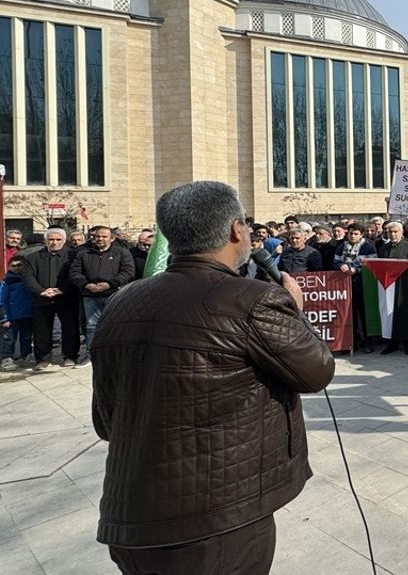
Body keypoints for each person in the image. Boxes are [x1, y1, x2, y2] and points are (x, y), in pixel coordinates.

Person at [91, 181, 335, 575]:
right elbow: (317, 370)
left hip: (130, 514)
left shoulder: (123, 300)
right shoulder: (251, 299)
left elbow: (106, 420)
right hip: (217, 519)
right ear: (237, 230)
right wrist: (296, 310)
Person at [68, 226, 135, 367]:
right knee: (91, 326)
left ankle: (117, 354)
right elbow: (74, 273)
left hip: (114, 294)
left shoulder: (122, 253)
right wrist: (86, 284)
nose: (100, 239)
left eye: (104, 236)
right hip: (90, 295)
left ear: (112, 238)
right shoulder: (83, 253)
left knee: (116, 325)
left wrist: (111, 284)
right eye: (98, 236)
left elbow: (128, 271)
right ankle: (91, 356)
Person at [22, 228, 80, 370]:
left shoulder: (73, 256)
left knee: (70, 328)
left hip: (66, 298)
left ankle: (70, 356)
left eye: (58, 239)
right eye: (51, 240)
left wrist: (63, 289)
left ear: (64, 240)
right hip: (42, 299)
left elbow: (76, 274)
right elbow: (28, 277)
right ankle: (43, 359)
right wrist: (41, 291)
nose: (54, 242)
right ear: (45, 241)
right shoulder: (32, 258)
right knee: (42, 329)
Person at [378, 222, 408, 355]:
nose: (393, 234)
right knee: (389, 312)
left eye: (395, 231)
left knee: (404, 313)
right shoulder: (383, 249)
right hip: (388, 286)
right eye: (390, 232)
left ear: (401, 232)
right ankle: (392, 343)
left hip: (404, 286)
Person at [335, 224, 378, 353]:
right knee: (348, 315)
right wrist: (341, 265)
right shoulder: (341, 247)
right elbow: (335, 261)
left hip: (363, 285)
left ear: (361, 234)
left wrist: (356, 269)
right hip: (345, 287)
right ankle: (350, 343)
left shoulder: (368, 247)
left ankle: (367, 343)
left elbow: (372, 264)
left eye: (356, 234)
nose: (353, 236)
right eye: (351, 233)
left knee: (364, 315)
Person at [0, 255, 35, 370]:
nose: (17, 268)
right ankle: (7, 359)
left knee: (27, 337)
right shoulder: (6, 282)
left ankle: (26, 357)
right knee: (9, 339)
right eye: (13, 266)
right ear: (9, 267)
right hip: (12, 316)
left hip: (28, 315)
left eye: (20, 265)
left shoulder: (30, 279)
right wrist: (3, 318)